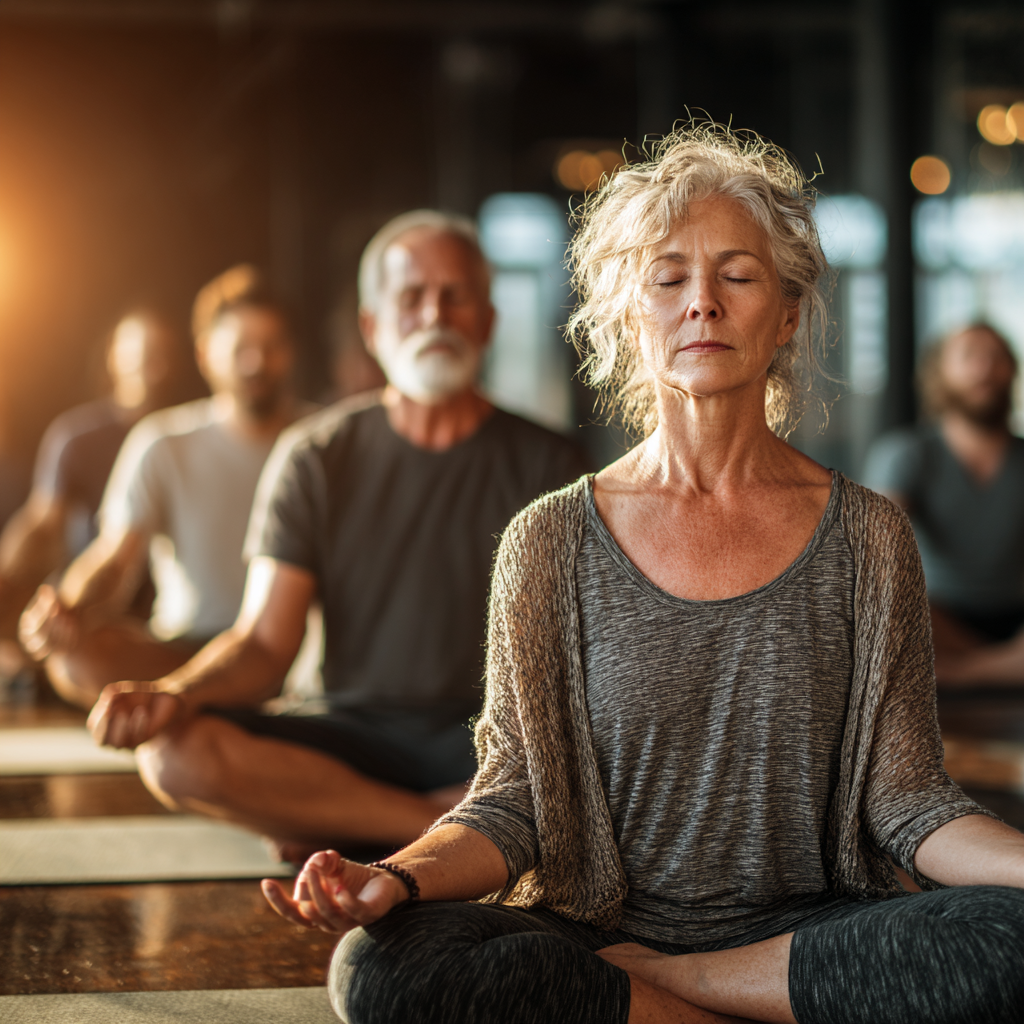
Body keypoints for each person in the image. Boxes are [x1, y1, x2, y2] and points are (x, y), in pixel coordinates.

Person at [259, 128, 1024, 1024]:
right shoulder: (546, 541)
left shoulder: (867, 536)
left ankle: (682, 997)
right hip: (599, 932)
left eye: (737, 276)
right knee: (380, 968)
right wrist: (393, 877)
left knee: (1006, 939)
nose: (702, 302)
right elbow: (513, 805)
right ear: (630, 316)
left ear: (784, 315)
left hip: (805, 935)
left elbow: (909, 803)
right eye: (668, 279)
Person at [85, 210, 589, 855]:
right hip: (344, 733)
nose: (434, 315)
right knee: (175, 754)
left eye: (454, 296)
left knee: (593, 769)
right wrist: (174, 694)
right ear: (372, 327)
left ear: (487, 320)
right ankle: (436, 830)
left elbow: (570, 659)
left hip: (485, 743)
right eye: (412, 298)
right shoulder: (315, 455)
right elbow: (265, 645)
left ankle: (344, 821)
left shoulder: (553, 465)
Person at [19, 266, 306, 710]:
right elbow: (114, 558)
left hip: (293, 652)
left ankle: (201, 707)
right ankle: (196, 698)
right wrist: (67, 606)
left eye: (271, 347)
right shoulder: (163, 442)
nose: (257, 363)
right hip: (185, 650)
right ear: (206, 353)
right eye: (241, 349)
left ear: (290, 352)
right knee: (74, 656)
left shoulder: (322, 438)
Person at [0, 311, 180, 645]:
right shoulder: (76, 437)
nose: (148, 362)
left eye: (160, 351)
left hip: (169, 608)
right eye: (138, 349)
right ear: (113, 356)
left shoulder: (185, 436)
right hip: (91, 602)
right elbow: (41, 523)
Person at [864, 324, 1024, 687]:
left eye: (996, 357)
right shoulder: (908, 454)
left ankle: (962, 675)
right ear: (940, 372)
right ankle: (1002, 672)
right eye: (970, 356)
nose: (985, 367)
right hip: (938, 620)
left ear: (1012, 370)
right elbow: (877, 547)